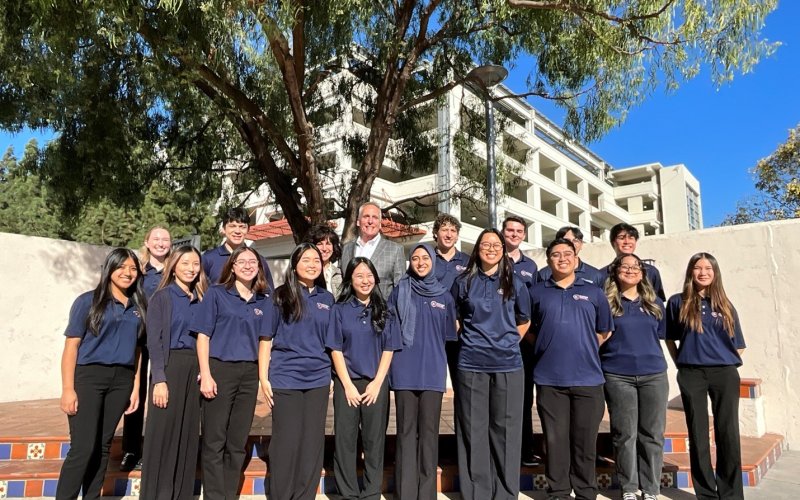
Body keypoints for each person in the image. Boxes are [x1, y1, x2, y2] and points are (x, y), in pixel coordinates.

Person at [56, 248, 146, 500]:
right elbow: (71, 347)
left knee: (104, 446)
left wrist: (135, 387)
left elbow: (137, 350)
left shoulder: (138, 307)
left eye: (133, 268)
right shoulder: (88, 301)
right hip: (89, 378)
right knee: (83, 447)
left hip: (121, 380)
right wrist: (67, 388)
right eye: (122, 267)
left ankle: (92, 497)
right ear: (110, 268)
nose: (128, 273)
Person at [529, 238, 614, 500]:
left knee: (585, 443)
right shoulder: (536, 292)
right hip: (549, 379)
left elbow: (605, 330)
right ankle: (559, 492)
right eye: (556, 254)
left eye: (568, 254)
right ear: (548, 260)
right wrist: (547, 344)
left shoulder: (594, 293)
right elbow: (528, 330)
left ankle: (586, 493)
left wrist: (584, 345)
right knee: (554, 442)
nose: (562, 258)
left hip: (588, 380)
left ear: (576, 260)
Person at [450, 228, 531, 500]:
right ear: (477, 249)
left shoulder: (515, 282)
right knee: (473, 429)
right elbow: (455, 317)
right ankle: (477, 493)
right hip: (471, 363)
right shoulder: (463, 281)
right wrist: (473, 339)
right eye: (485, 244)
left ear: (503, 249)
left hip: (508, 365)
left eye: (496, 244)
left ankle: (506, 493)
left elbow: (524, 319)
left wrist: (506, 343)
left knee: (505, 430)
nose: (491, 248)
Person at [192, 246, 273, 500]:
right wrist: (205, 373)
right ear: (233, 266)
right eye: (242, 261)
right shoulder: (217, 294)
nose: (248, 265)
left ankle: (229, 494)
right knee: (214, 439)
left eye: (253, 261)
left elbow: (264, 342)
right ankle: (215, 496)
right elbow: (203, 336)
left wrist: (262, 378)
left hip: (248, 374)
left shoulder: (264, 300)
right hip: (219, 369)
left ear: (259, 267)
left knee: (237, 441)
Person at [666, 253, 746, 500]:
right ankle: (706, 495)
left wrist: (722, 359)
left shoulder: (725, 304)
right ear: (691, 272)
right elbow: (670, 338)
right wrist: (681, 361)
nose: (703, 272)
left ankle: (731, 494)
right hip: (691, 373)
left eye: (708, 268)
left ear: (715, 272)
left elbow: (739, 345)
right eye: (698, 268)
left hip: (724, 373)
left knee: (728, 433)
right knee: (698, 434)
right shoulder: (678, 302)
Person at [259, 243, 335, 500]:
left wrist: (333, 376)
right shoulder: (280, 296)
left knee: (312, 442)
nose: (312, 264)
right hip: (286, 377)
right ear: (294, 265)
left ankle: (305, 495)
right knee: (286, 441)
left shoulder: (327, 299)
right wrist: (263, 378)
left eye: (316, 260)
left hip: (319, 379)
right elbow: (266, 339)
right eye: (306, 259)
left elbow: (332, 342)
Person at [326, 257, 401, 500]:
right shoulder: (339, 310)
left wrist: (378, 382)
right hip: (347, 384)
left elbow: (389, 348)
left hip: (375, 384)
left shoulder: (385, 309)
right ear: (350, 279)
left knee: (374, 441)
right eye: (359, 275)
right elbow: (335, 348)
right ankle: (347, 492)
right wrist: (346, 384)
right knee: (345, 441)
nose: (365, 280)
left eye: (369, 275)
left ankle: (371, 492)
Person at [389, 244, 457, 500]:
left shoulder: (445, 297)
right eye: (415, 258)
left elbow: (449, 336)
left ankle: (426, 493)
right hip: (404, 371)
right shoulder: (400, 291)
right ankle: (405, 493)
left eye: (425, 257)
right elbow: (390, 329)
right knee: (406, 433)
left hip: (432, 373)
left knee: (429, 435)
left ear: (433, 261)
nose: (420, 262)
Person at [140, 245, 208, 499]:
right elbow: (154, 342)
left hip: (195, 370)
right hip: (169, 368)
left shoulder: (202, 298)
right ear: (174, 266)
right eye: (185, 264)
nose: (191, 269)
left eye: (195, 264)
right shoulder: (163, 297)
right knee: (163, 435)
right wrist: (159, 379)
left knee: (188, 434)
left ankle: (180, 494)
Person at [601, 254, 668, 500]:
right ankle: (629, 487)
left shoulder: (655, 304)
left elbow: (662, 336)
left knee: (652, 434)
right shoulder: (605, 303)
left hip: (654, 375)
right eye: (625, 266)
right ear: (616, 271)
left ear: (642, 273)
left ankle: (651, 488)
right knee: (625, 434)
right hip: (618, 376)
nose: (630, 270)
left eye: (635, 267)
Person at [120, 226, 172, 473]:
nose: (161, 243)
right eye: (156, 239)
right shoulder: (138, 272)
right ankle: (131, 450)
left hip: (167, 341)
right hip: (140, 339)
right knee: (135, 393)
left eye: (165, 239)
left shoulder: (176, 271)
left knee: (160, 392)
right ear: (147, 243)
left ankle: (156, 448)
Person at [501, 215, 539, 467]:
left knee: (523, 398)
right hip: (493, 341)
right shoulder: (490, 257)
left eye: (519, 231)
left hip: (522, 343)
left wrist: (523, 337)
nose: (514, 234)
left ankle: (524, 451)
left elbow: (532, 306)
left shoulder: (531, 267)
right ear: (502, 232)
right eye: (510, 230)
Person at [431, 213, 469, 395]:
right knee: (432, 385)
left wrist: (460, 319)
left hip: (459, 330)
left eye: (453, 230)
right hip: (431, 329)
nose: (448, 234)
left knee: (462, 385)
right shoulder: (426, 258)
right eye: (444, 229)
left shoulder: (468, 262)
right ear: (436, 233)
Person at [340, 202, 405, 298]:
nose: (370, 221)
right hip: (350, 310)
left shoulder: (395, 250)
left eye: (375, 217)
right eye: (366, 216)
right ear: (358, 221)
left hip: (382, 311)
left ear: (380, 223)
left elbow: (401, 289)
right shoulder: (346, 249)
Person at [202, 207, 274, 288]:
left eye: (242, 227)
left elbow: (269, 294)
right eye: (232, 226)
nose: (237, 231)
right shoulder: (208, 258)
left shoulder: (258, 261)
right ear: (224, 229)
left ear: (248, 230)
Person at [605, 223, 665, 300]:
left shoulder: (651, 271)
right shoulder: (602, 274)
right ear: (613, 242)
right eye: (621, 238)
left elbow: (658, 303)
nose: (626, 241)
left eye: (631, 238)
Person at [538, 226, 605, 286]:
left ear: (581, 244)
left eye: (575, 240)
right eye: (567, 240)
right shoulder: (544, 274)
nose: (571, 244)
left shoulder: (595, 275)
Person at [305, 223, 343, 295]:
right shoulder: (306, 272)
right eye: (319, 244)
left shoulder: (340, 274)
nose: (324, 249)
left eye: (328, 244)